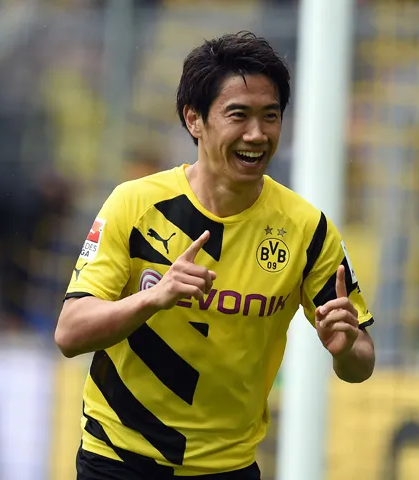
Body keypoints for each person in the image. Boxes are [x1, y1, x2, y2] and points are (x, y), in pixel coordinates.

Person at [55, 31, 376, 479]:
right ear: (194, 119)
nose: (257, 134)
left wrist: (345, 351)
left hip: (228, 467)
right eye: (238, 115)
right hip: (118, 459)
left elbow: (361, 361)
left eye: (270, 116)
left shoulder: (308, 229)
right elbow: (70, 333)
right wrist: (153, 297)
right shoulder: (135, 205)